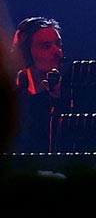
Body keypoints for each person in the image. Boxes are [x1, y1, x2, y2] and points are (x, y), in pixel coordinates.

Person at [11, 16, 66, 149]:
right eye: (46, 46)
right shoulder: (12, 99)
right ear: (25, 53)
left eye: (58, 44)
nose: (57, 51)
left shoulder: (69, 95)